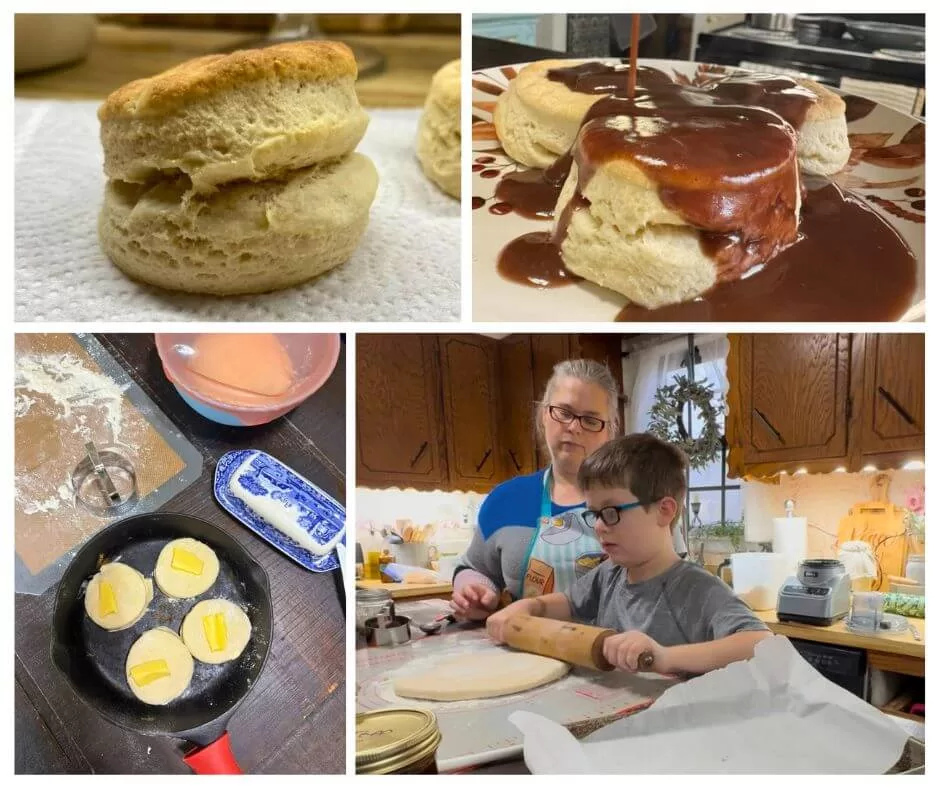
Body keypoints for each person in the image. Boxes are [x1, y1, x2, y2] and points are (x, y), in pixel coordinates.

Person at [486, 433, 771, 676]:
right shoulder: (610, 573)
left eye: (610, 513)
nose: (598, 526)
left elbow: (760, 642)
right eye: (594, 514)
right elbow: (565, 603)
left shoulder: (695, 589)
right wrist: (525, 608)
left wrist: (662, 657)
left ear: (664, 511)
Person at [451, 359, 686, 622]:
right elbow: (475, 568)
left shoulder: (644, 497)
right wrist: (474, 590)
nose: (574, 427)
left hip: (621, 656)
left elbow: (677, 584)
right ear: (544, 415)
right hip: (534, 657)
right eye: (563, 412)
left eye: (590, 419)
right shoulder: (505, 500)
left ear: (610, 430)